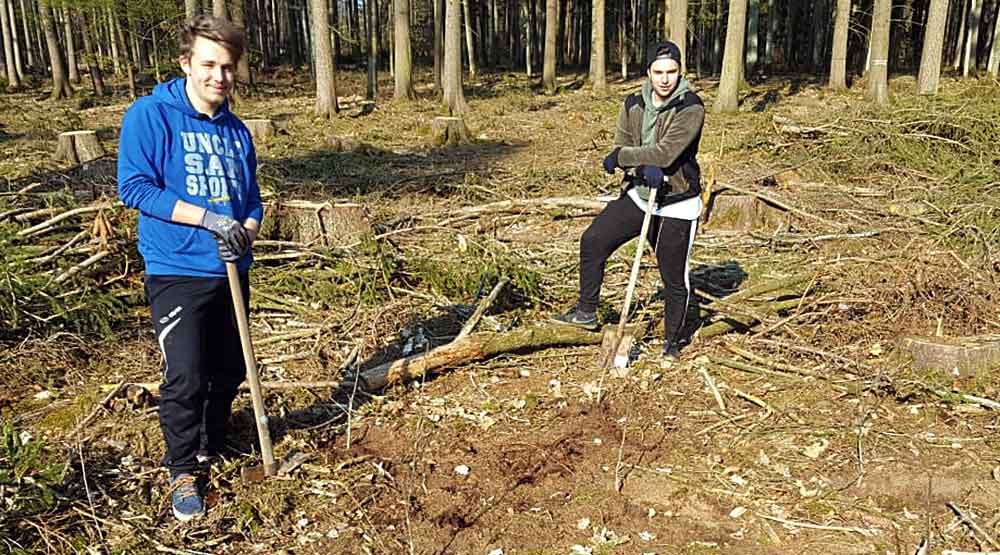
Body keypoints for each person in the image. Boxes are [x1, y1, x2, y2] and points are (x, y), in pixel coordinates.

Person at [117, 15, 263, 522]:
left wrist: (245, 226)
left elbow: (253, 200)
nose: (218, 76)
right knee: (185, 374)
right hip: (177, 266)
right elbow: (134, 188)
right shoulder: (151, 115)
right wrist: (206, 219)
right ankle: (181, 468)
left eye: (227, 67)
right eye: (207, 65)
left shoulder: (237, 131)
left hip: (230, 267)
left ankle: (211, 445)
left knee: (230, 368)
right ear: (186, 64)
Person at [552, 40, 704, 360]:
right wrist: (637, 164)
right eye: (658, 71)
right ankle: (586, 311)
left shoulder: (690, 107)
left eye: (672, 72)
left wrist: (624, 157)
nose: (665, 79)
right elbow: (623, 143)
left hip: (677, 201)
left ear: (680, 72)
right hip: (641, 195)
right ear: (648, 72)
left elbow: (664, 153)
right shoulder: (633, 102)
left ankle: (672, 343)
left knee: (673, 277)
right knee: (593, 240)